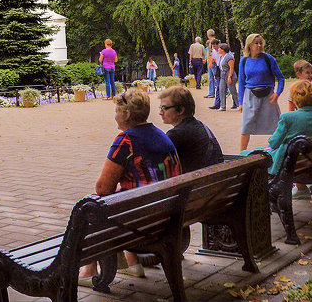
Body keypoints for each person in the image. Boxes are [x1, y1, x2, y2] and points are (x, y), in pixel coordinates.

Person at [78, 89, 181, 284]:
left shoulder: (126, 140)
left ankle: (89, 269)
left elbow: (102, 188)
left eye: (117, 110)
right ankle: (132, 264)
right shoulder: (162, 136)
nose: (115, 115)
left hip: (143, 221)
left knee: (91, 207)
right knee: (123, 197)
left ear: (126, 114)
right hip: (168, 214)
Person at [264, 81, 312, 198]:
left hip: (290, 166)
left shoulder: (288, 118)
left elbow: (273, 143)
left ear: (295, 99)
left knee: (249, 155)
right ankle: (301, 190)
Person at [237, 33, 286, 151]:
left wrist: (277, 94)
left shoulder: (268, 59)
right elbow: (241, 82)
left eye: (260, 43)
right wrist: (240, 102)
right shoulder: (244, 61)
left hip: (268, 95)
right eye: (256, 43)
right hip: (250, 95)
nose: (259, 45)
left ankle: (277, 150)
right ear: (249, 45)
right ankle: (241, 154)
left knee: (276, 126)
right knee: (246, 127)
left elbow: (281, 78)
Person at [160, 85, 222, 173]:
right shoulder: (200, 125)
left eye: (165, 108)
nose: (160, 112)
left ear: (180, 110)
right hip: (215, 181)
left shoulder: (177, 134)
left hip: (199, 184)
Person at [208, 43, 234, 111]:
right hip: (222, 74)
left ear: (223, 50)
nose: (217, 49)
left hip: (228, 74)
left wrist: (229, 76)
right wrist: (216, 74)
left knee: (232, 90)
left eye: (219, 48)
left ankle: (238, 103)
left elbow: (231, 67)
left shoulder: (229, 56)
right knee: (220, 89)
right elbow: (218, 65)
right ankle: (222, 106)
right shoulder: (220, 56)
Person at [205, 31, 220, 98]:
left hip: (212, 62)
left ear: (208, 35)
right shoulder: (215, 41)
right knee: (211, 78)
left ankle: (224, 91)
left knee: (215, 77)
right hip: (211, 61)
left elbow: (212, 54)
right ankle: (211, 92)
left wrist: (210, 62)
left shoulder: (213, 42)